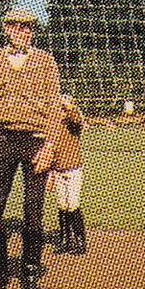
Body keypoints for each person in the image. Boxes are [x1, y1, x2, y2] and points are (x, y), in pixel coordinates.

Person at [0, 8, 63, 289]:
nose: (24, 32)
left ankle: (31, 271)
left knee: (33, 213)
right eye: (18, 27)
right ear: (7, 29)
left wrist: (50, 146)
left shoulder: (46, 61)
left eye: (29, 28)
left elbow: (53, 107)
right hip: (3, 140)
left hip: (36, 140)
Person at [49, 95, 87, 255]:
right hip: (57, 169)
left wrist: (69, 107)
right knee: (62, 206)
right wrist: (50, 171)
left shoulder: (73, 122)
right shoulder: (54, 124)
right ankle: (65, 239)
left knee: (73, 205)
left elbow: (78, 119)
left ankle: (80, 240)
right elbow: (50, 149)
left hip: (72, 169)